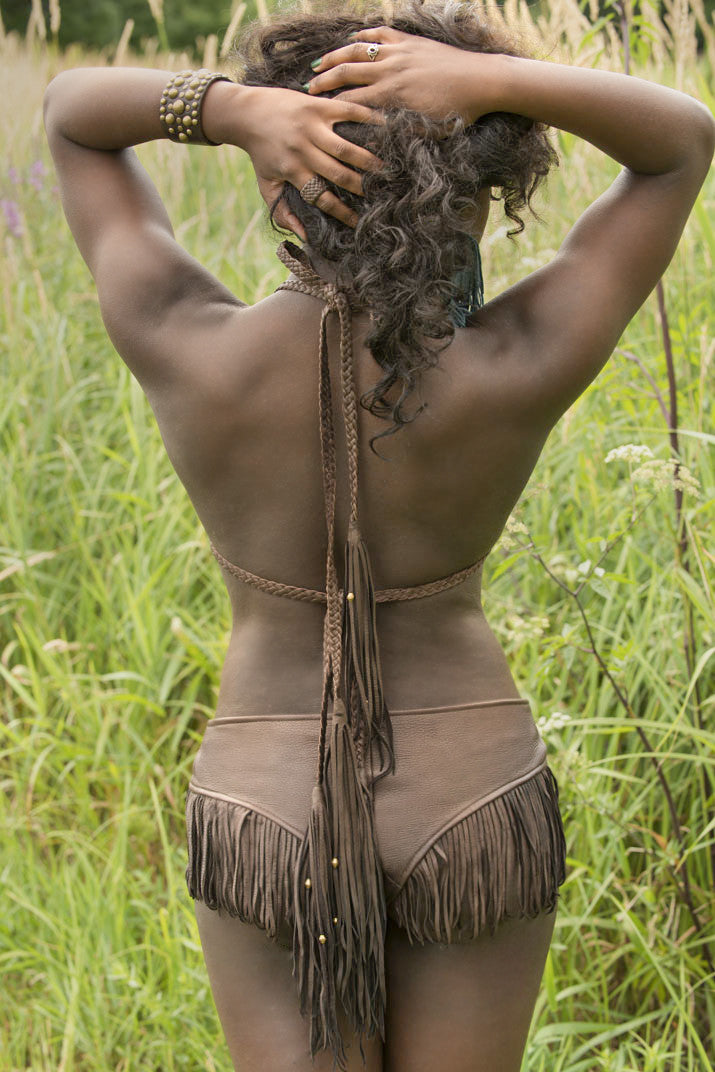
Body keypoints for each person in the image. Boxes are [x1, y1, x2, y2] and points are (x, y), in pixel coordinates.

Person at [43, 1, 714, 1069]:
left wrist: (224, 111)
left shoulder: (185, 343)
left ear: (282, 179)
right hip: (473, 794)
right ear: (480, 188)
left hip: (264, 803)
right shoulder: (520, 360)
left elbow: (71, 113)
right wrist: (488, 79)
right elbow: (678, 140)